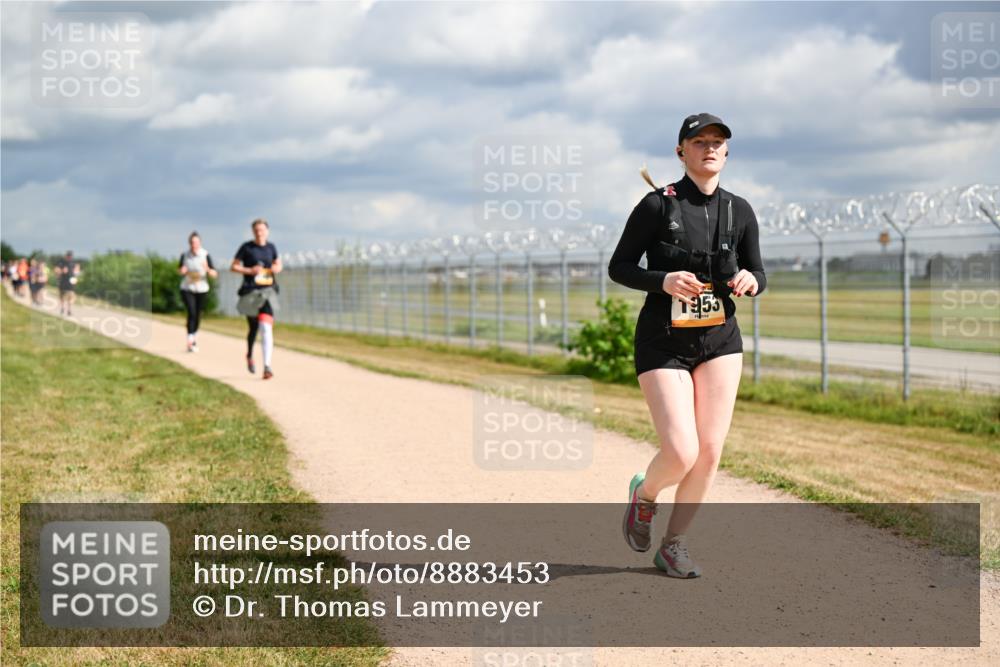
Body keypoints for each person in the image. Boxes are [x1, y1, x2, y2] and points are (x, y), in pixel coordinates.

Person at [611, 113, 767, 578]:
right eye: (700, 141)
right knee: (681, 450)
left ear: (727, 152)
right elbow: (620, 267)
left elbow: (760, 272)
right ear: (681, 151)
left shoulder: (740, 210)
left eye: (718, 142)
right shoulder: (657, 206)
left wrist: (750, 281)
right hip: (663, 340)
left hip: (720, 340)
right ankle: (645, 496)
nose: (710, 148)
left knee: (711, 450)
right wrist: (663, 280)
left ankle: (674, 545)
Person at [231, 218, 282, 380]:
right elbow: (233, 266)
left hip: (268, 291)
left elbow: (279, 265)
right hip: (250, 293)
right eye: (257, 230)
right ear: (253, 232)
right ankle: (250, 354)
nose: (260, 232)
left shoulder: (271, 247)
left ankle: (267, 366)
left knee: (266, 328)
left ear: (267, 231)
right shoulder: (247, 248)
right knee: (253, 329)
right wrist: (250, 270)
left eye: (262, 229)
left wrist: (273, 269)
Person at [178, 231, 218, 352]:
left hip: (201, 288)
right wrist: (182, 270)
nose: (193, 244)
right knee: (191, 312)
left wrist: (207, 269)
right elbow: (179, 270)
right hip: (187, 288)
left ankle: (194, 338)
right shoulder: (185, 255)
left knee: (198, 314)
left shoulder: (205, 255)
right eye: (192, 242)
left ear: (199, 243)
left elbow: (214, 274)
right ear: (189, 243)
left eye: (196, 242)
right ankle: (190, 340)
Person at [55, 251, 80, 316]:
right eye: (68, 256)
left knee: (71, 295)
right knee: (62, 296)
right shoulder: (61, 262)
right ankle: (62, 308)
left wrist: (76, 275)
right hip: (63, 281)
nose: (69, 257)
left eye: (70, 256)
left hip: (71, 282)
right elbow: (56, 270)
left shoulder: (73, 263)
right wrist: (61, 271)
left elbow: (77, 271)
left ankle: (69, 310)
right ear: (66, 256)